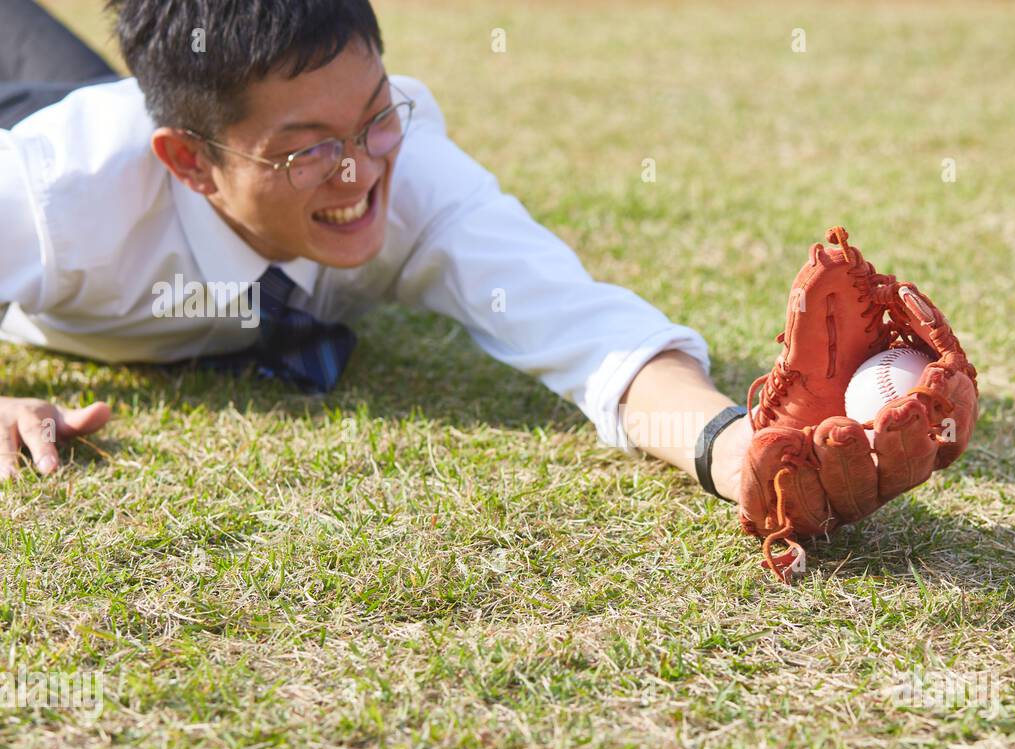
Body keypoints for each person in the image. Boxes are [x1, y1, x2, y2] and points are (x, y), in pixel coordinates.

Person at [0, 0, 754, 498]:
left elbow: (586, 331)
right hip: (40, 115)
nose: (362, 170)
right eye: (309, 151)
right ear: (191, 163)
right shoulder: (54, 193)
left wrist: (732, 448)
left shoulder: (413, 165)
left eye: (374, 115)